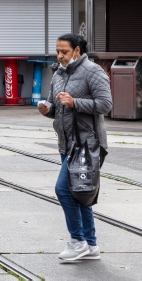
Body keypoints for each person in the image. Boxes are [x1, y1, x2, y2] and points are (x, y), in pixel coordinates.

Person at [38, 33, 112, 262]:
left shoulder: (93, 71)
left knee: (64, 190)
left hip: (87, 144)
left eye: (64, 52)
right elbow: (56, 105)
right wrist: (47, 109)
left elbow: (106, 105)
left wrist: (75, 102)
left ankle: (77, 240)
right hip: (67, 142)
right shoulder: (58, 73)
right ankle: (90, 245)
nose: (59, 56)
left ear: (77, 51)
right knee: (80, 193)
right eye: (57, 51)